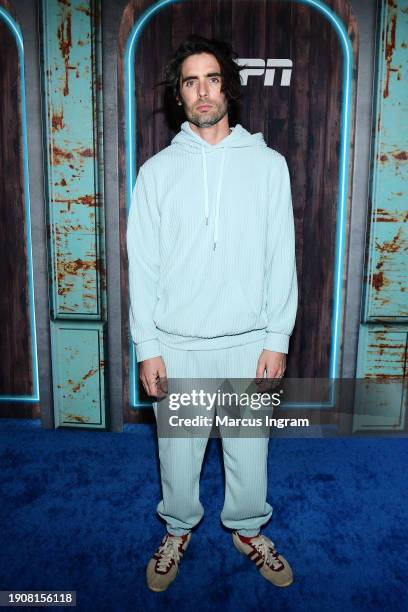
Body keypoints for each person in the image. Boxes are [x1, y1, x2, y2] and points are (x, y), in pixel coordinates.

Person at [126, 34, 298, 592]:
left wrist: (278, 337)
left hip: (250, 340)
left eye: (213, 78)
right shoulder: (156, 173)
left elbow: (282, 257)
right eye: (190, 81)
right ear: (179, 95)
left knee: (251, 451)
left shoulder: (269, 166)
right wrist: (147, 346)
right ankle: (178, 528)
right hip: (178, 341)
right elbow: (143, 268)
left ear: (229, 87)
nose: (203, 91)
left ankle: (248, 529)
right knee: (177, 456)